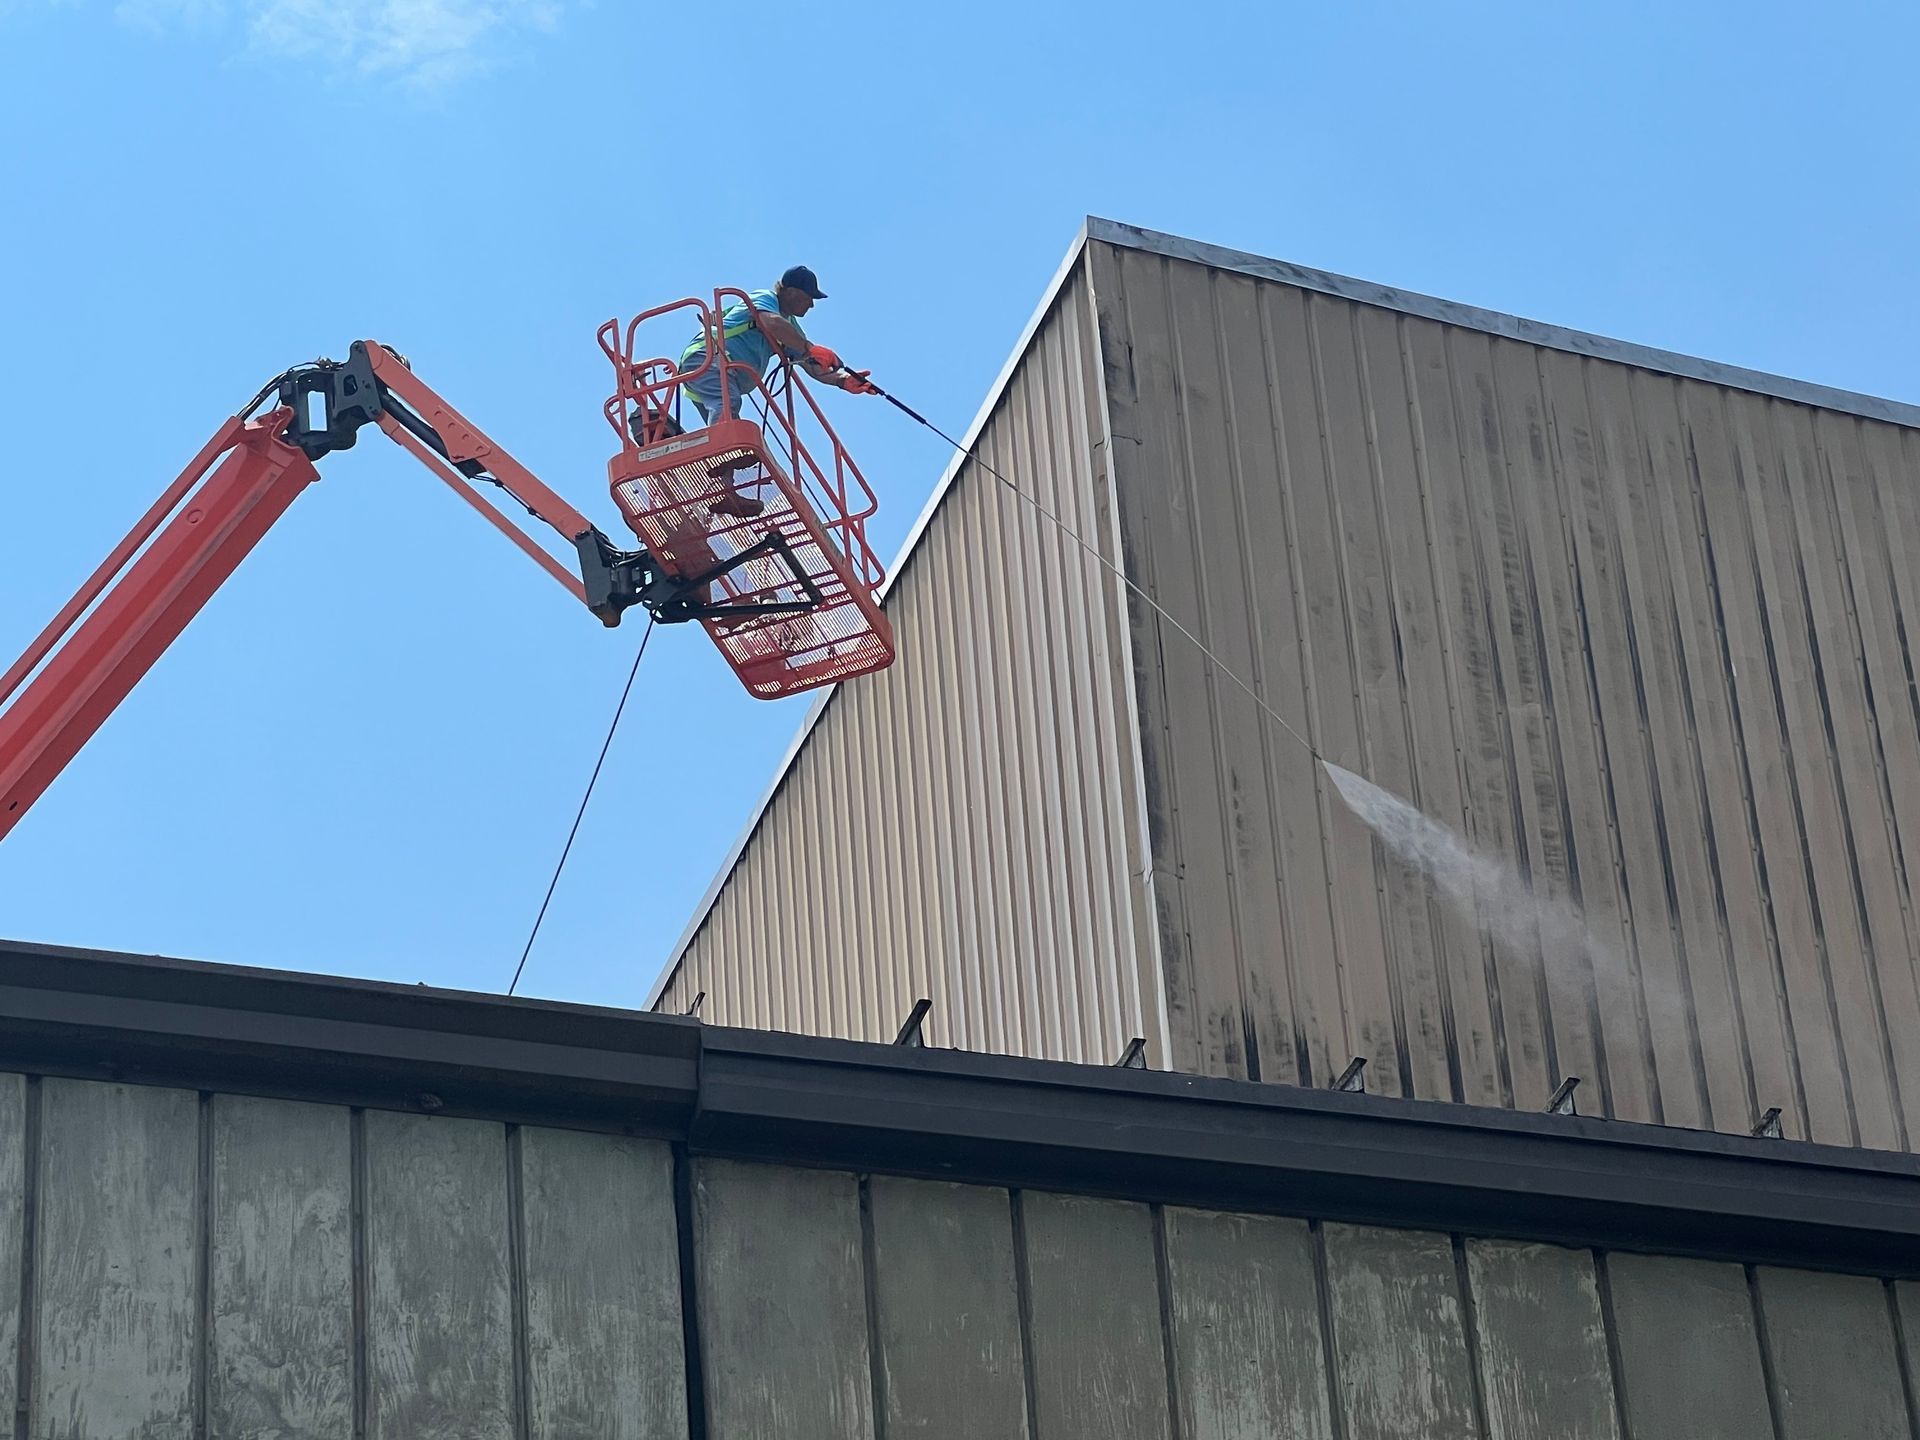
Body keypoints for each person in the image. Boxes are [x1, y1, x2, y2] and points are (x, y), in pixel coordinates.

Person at [674, 266, 878, 517]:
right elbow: (770, 323)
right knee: (727, 411)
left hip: (725, 373)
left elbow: (809, 364)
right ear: (791, 292)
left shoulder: (790, 327)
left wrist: (844, 380)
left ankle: (725, 491)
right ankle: (721, 482)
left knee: (727, 415)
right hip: (707, 358)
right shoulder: (765, 300)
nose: (811, 306)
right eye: (809, 298)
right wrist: (809, 347)